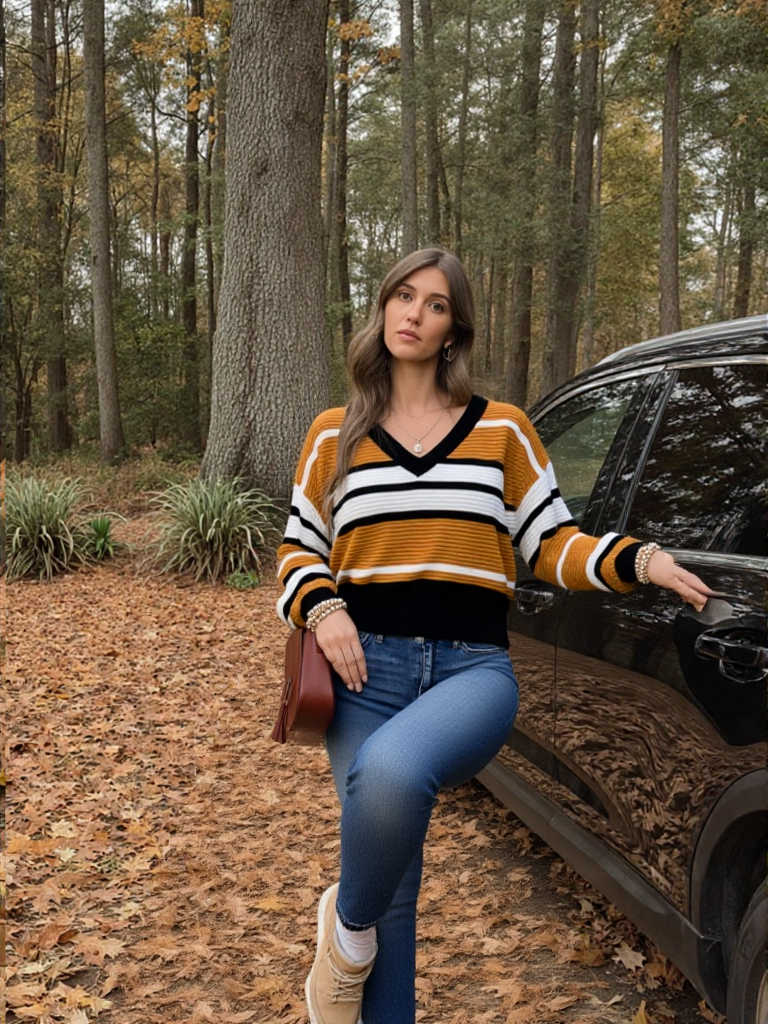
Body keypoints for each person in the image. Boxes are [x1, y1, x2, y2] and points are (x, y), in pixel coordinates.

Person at [276, 247, 712, 1024]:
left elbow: (552, 543)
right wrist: (324, 607)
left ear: (454, 329)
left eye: (435, 304)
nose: (412, 313)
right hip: (361, 673)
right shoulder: (333, 434)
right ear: (382, 310)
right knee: (397, 892)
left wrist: (638, 558)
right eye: (402, 296)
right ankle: (367, 961)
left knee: (391, 775)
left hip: (472, 671)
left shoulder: (503, 430)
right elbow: (299, 547)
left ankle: (343, 939)